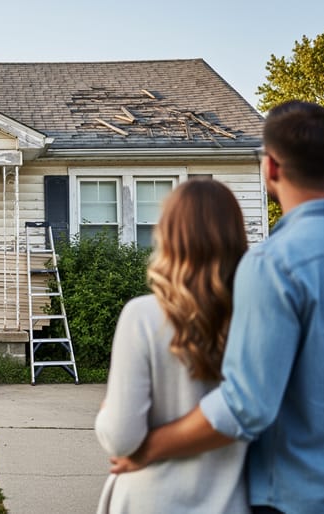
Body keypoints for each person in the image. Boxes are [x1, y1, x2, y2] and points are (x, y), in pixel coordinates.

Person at [110, 100, 324, 514]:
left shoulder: (273, 265)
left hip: (302, 499)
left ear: (270, 169)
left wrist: (147, 449)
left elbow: (246, 406)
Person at [95, 179, 250, 513]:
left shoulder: (142, 315)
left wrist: (108, 408)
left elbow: (122, 439)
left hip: (148, 499)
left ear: (168, 236)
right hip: (230, 501)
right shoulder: (259, 319)